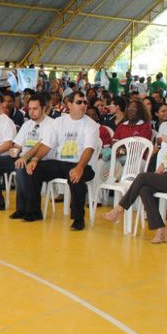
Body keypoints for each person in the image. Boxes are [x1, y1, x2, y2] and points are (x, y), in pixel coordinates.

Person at [102, 110, 167, 243]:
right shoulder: (166, 142)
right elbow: (161, 166)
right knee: (144, 188)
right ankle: (160, 229)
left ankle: (119, 209)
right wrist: (157, 174)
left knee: (142, 177)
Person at [28, 91, 101, 230]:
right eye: (79, 102)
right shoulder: (59, 122)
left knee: (76, 177)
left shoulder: (91, 125)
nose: (83, 105)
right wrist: (35, 159)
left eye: (85, 102)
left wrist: (79, 167)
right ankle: (34, 211)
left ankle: (78, 219)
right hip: (60, 163)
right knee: (34, 169)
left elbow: (89, 149)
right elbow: (47, 145)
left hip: (83, 165)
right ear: (69, 104)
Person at [0, 94, 56, 211]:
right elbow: (17, 144)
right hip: (22, 157)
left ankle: (22, 209)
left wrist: (25, 157)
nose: (31, 112)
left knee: (20, 167)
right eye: (29, 109)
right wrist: (14, 150)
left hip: (41, 159)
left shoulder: (52, 124)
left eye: (35, 109)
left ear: (44, 108)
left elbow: (42, 145)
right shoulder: (27, 124)